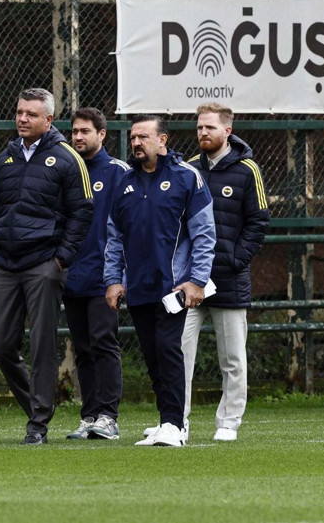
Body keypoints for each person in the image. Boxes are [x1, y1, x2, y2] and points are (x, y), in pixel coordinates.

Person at [0, 88, 94, 445]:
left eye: (31, 114)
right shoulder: (5, 158)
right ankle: (36, 405)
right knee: (1, 345)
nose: (22, 119)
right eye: (19, 112)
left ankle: (38, 425)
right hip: (4, 263)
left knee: (43, 346)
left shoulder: (66, 158)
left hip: (43, 264)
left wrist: (59, 259)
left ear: (48, 120)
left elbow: (82, 212)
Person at [104, 114, 215, 447]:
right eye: (133, 137)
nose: (136, 143)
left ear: (163, 140)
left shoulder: (186, 178)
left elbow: (205, 234)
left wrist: (197, 280)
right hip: (138, 286)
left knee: (168, 350)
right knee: (153, 355)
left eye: (143, 137)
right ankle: (168, 419)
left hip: (174, 288)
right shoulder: (124, 183)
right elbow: (114, 237)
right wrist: (113, 280)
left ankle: (174, 424)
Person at [179, 102, 270, 442]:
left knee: (232, 358)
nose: (203, 133)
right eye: (200, 127)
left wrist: (236, 258)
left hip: (229, 279)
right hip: (189, 282)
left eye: (210, 128)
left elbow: (259, 220)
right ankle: (178, 422)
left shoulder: (248, 170)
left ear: (227, 131)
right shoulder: (187, 169)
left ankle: (228, 423)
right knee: (179, 354)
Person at [62, 107, 129, 441]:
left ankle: (109, 417)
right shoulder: (64, 168)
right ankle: (89, 415)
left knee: (104, 342)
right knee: (83, 348)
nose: (78, 137)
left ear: (102, 134)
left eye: (84, 131)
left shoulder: (119, 173)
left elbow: (130, 225)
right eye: (74, 131)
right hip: (71, 275)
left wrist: (120, 275)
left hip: (105, 276)